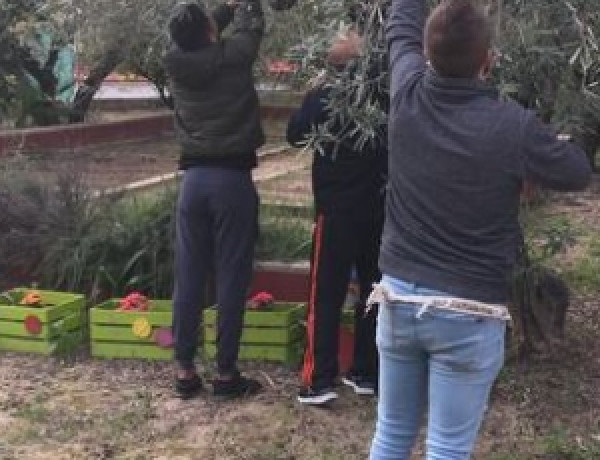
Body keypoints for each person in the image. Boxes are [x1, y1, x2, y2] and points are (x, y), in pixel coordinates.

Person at [369, 0, 592, 458]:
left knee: (391, 434)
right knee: (448, 447)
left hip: (399, 300)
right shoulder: (512, 126)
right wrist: (545, 150)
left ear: (426, 55)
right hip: (467, 311)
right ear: (488, 61)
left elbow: (400, 24)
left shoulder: (407, 93)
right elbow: (575, 171)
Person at [164, 0, 265, 400]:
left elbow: (198, 36)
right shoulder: (233, 56)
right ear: (209, 32)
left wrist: (222, 9)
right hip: (232, 182)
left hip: (193, 183)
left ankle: (185, 371)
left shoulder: (174, 61)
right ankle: (226, 375)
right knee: (231, 277)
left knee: (188, 276)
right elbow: (252, 28)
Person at [287, 30, 388, 405]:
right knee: (373, 291)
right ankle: (365, 371)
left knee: (325, 296)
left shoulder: (324, 94)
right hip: (377, 209)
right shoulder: (383, 93)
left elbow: (295, 135)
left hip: (335, 212)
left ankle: (318, 379)